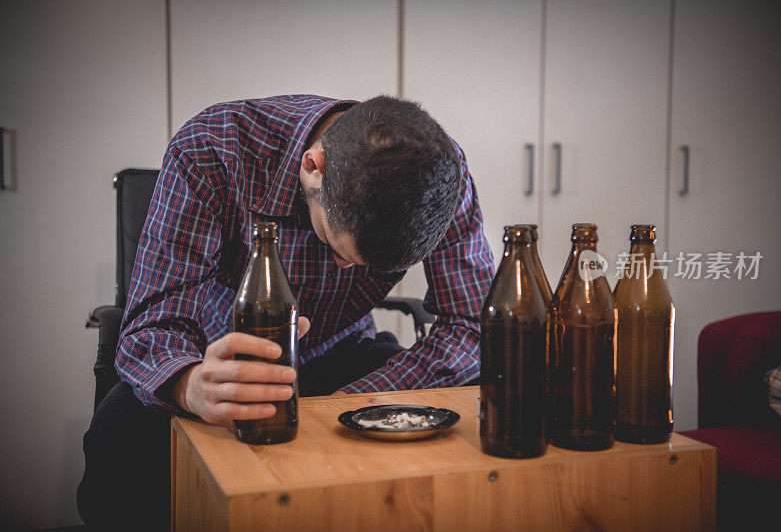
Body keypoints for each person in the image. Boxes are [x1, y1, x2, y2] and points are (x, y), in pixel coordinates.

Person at [78, 95, 494, 529]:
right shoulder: (211, 149)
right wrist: (190, 384)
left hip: (343, 356)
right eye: (342, 253)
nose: (350, 272)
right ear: (314, 168)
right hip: (220, 362)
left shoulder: (440, 177)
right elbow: (151, 325)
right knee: (116, 449)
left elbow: (471, 326)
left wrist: (348, 402)